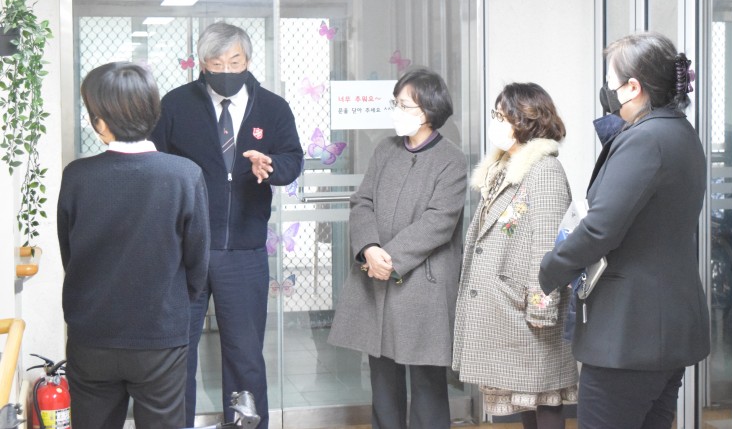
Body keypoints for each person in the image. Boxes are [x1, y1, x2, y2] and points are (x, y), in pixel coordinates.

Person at [539, 31, 710, 429]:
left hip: (630, 333)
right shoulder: (680, 132)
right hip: (666, 327)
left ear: (633, 87)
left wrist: (550, 269)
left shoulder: (645, 140)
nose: (607, 93)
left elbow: (600, 229)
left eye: (611, 83)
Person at [151, 22, 304, 428]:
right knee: (176, 352)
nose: (226, 71)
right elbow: (154, 162)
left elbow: (293, 158)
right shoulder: (175, 105)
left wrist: (271, 167)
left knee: (244, 354)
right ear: (202, 64)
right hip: (186, 252)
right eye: (216, 64)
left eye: (234, 62)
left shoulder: (272, 107)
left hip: (244, 252)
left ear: (248, 60)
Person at [58, 62, 210, 429]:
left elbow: (70, 254)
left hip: (91, 334)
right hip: (160, 334)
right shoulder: (184, 175)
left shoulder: (77, 176)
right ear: (153, 113)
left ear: (100, 121)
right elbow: (197, 263)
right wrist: (172, 305)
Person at [328, 67, 468, 429]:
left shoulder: (451, 159)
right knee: (384, 381)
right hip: (377, 281)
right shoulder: (385, 150)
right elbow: (363, 201)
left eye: (404, 105)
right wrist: (369, 248)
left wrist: (389, 259)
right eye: (396, 103)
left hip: (423, 286)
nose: (396, 111)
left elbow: (439, 221)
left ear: (428, 110)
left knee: (427, 383)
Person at [453, 83, 578, 428]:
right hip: (508, 304)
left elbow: (549, 245)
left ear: (525, 119)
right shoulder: (504, 167)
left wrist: (542, 306)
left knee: (545, 396)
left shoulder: (544, 170)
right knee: (527, 397)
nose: (495, 122)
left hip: (528, 305)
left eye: (501, 115)